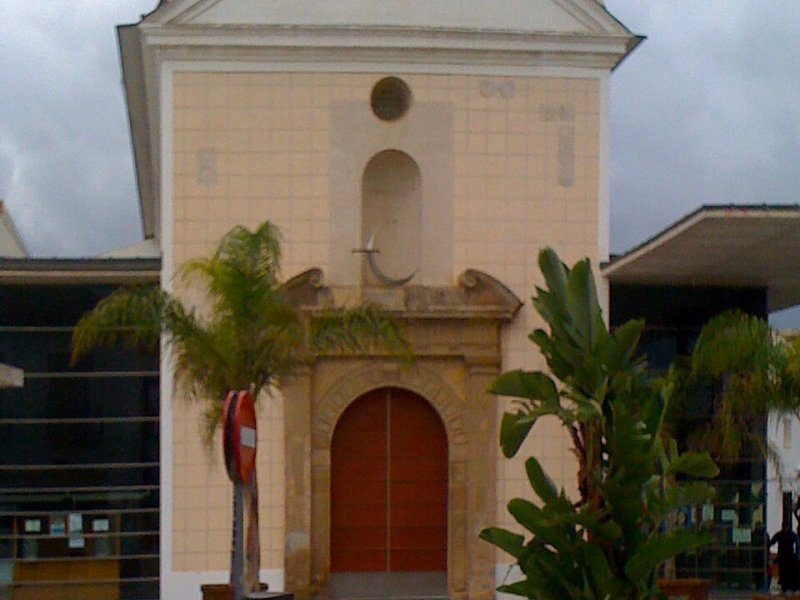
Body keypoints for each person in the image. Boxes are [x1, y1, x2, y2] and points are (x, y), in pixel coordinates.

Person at [771, 522, 799, 592]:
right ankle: (785, 587)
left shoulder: (783, 535)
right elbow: (772, 542)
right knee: (784, 572)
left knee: (787, 572)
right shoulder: (791, 535)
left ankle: (787, 586)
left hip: (788, 556)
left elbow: (772, 542)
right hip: (784, 556)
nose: (786, 528)